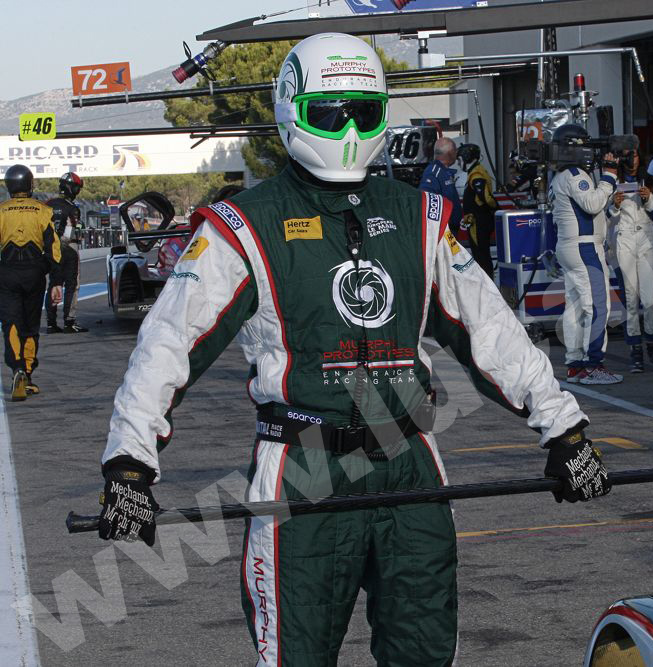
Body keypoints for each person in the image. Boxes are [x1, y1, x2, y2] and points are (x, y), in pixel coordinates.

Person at [96, 33, 610, 667]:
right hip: (303, 467)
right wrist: (129, 464)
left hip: (409, 455)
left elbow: (492, 330)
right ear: (292, 110)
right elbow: (167, 345)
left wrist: (564, 430)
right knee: (297, 655)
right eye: (329, 112)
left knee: (424, 651)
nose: (347, 130)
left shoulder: (422, 217)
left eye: (363, 113)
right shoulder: (243, 227)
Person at [548, 124, 623, 385]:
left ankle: (575, 364)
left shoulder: (558, 176)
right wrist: (609, 176)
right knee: (597, 306)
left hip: (570, 246)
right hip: (584, 247)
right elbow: (592, 204)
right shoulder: (574, 174)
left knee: (575, 307)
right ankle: (593, 366)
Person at [0, 165, 63, 400]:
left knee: (11, 324)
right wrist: (57, 281)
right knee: (30, 326)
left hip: (7, 274)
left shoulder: (1, 211)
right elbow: (54, 248)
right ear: (30, 184)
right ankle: (27, 374)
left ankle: (16, 368)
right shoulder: (42, 211)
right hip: (34, 275)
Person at [608, 149, 653, 373]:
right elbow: (604, 217)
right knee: (630, 297)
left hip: (646, 239)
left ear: (639, 157)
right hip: (623, 239)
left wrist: (649, 200)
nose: (631, 160)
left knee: (650, 297)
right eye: (626, 156)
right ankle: (635, 348)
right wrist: (614, 205)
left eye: (634, 155)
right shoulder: (611, 183)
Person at [45, 172, 88, 333]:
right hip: (68, 247)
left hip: (50, 248)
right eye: (77, 188)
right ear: (72, 188)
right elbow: (72, 232)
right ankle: (69, 322)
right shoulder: (72, 208)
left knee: (53, 284)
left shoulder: (48, 203)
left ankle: (51, 324)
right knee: (72, 285)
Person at [456, 143, 498, 277]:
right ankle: (486, 281)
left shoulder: (476, 174)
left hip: (478, 222)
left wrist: (496, 209)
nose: (458, 163)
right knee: (480, 254)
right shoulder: (475, 172)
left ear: (466, 158)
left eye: (459, 160)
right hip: (478, 220)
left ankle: (487, 283)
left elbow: (486, 197)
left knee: (481, 255)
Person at [420, 136, 463, 235]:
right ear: (450, 153)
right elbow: (427, 204)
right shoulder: (433, 173)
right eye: (455, 151)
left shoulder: (444, 172)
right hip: (443, 232)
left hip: (450, 229)